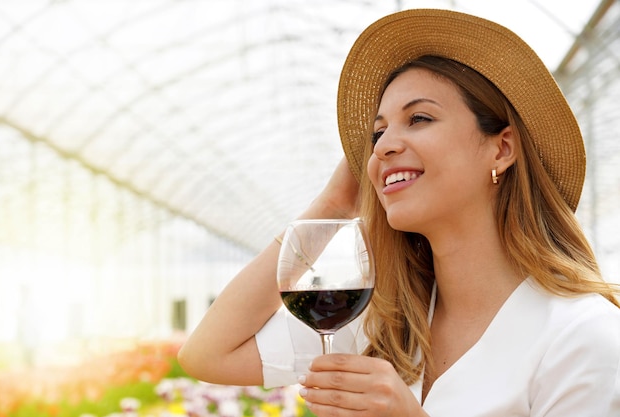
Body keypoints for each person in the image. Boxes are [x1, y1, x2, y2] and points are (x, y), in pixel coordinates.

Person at [178, 9, 620, 416]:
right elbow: (207, 354)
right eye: (378, 133)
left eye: (420, 119)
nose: (384, 145)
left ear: (502, 148)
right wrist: (331, 208)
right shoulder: (380, 322)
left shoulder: (583, 337)